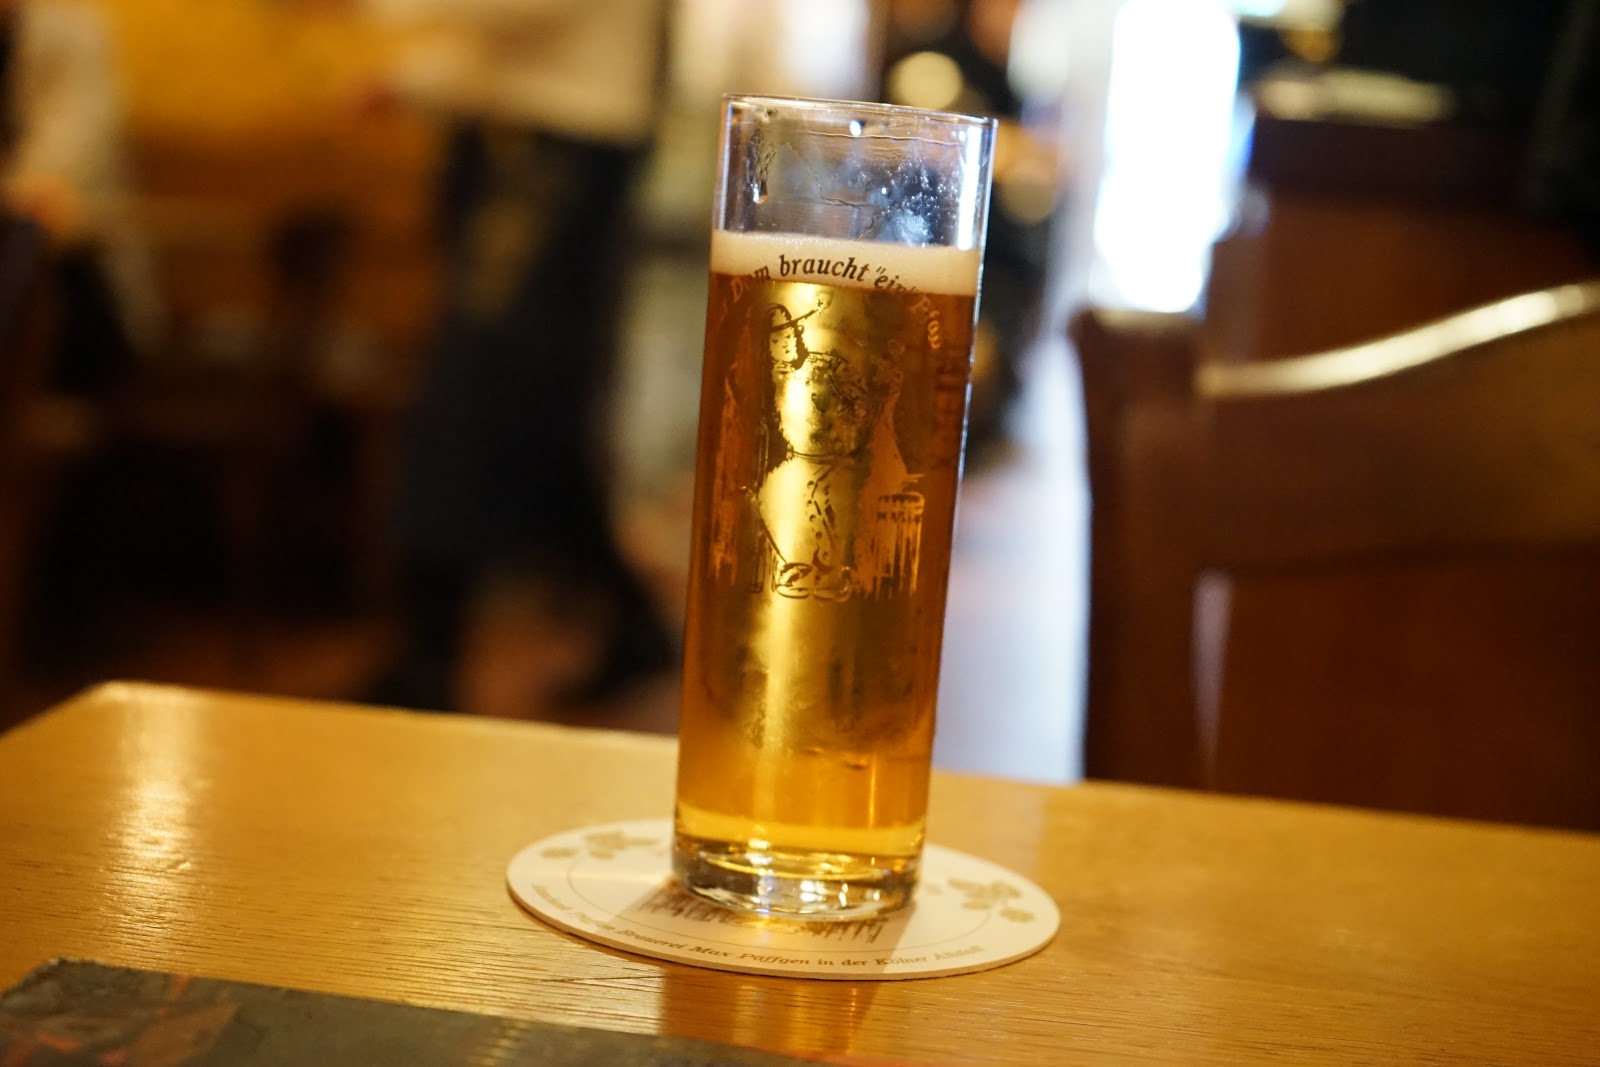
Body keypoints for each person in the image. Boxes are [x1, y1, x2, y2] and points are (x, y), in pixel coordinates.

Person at [357, 0, 677, 711]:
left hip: (560, 155)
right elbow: (509, 54)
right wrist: (416, 78)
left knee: (472, 395)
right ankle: (630, 624)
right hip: (532, 145)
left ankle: (428, 656)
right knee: (528, 407)